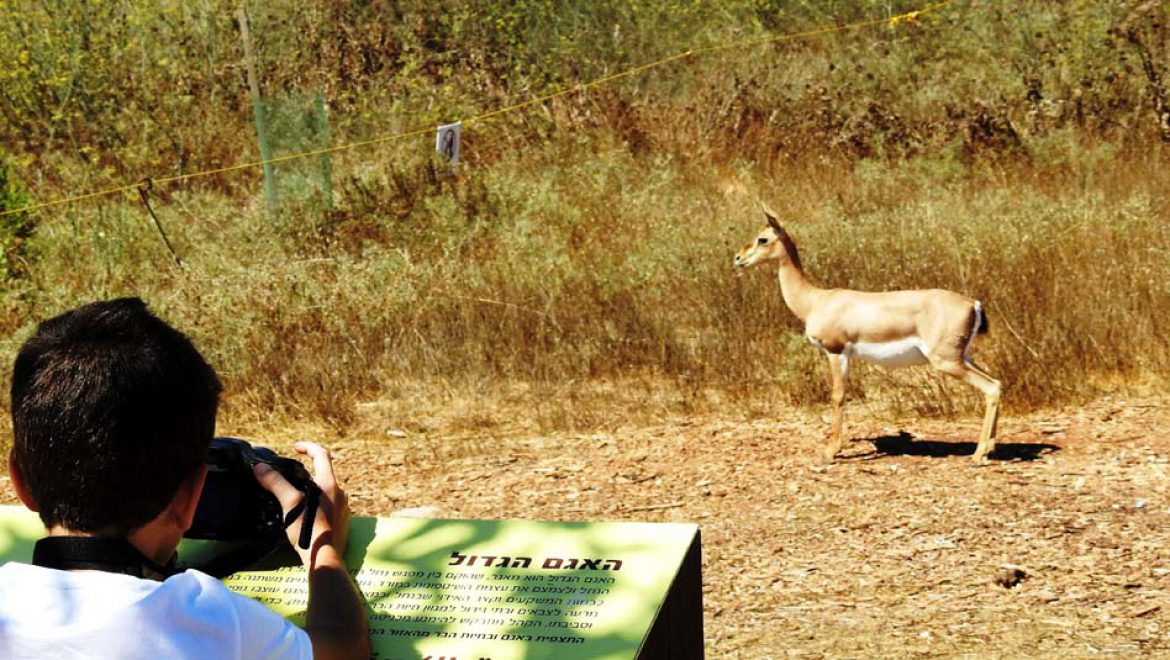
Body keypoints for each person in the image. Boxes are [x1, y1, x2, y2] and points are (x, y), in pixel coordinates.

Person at [0, 297, 369, 659]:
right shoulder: (212, 619)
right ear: (191, 496)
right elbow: (342, 648)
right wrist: (322, 549)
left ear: (20, 479)